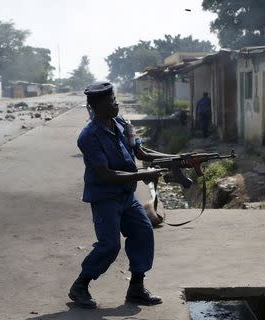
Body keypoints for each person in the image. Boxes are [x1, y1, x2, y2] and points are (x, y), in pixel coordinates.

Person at [69, 81, 178, 308]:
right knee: (109, 245)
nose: (116, 103)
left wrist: (176, 158)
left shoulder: (121, 124)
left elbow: (141, 151)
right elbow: (105, 174)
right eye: (111, 101)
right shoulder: (88, 136)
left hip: (126, 195)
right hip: (105, 196)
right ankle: (80, 285)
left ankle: (136, 288)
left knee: (143, 232)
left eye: (115, 99)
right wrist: (143, 176)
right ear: (97, 106)